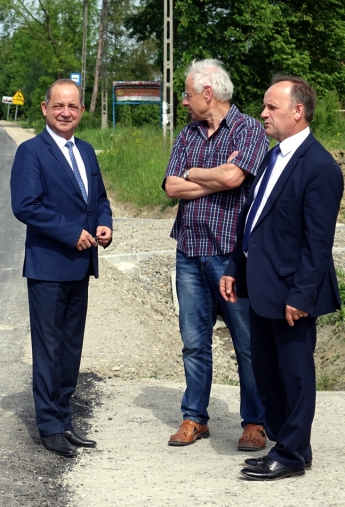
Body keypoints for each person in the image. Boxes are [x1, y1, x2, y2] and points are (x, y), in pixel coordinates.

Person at [221, 75, 343, 480]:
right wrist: (235, 269)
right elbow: (254, 221)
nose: (263, 113)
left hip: (292, 292)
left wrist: (301, 296)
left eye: (272, 107)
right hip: (261, 286)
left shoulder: (320, 167)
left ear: (298, 111)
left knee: (295, 375)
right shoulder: (273, 157)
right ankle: (292, 446)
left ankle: (290, 455)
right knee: (267, 372)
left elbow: (318, 243)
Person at [163, 59, 268, 450]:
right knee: (194, 342)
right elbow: (171, 186)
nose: (184, 102)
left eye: (187, 94)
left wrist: (193, 173)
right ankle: (194, 417)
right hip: (189, 251)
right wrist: (216, 177)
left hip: (230, 256)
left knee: (247, 345)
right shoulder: (188, 134)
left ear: (207, 93)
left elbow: (234, 176)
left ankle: (255, 422)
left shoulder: (249, 129)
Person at [10, 79, 113, 457]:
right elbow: (26, 206)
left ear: (82, 110)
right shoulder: (31, 152)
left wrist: (104, 224)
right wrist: (72, 233)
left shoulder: (85, 150)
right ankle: (49, 426)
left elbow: (98, 199)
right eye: (58, 106)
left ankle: (65, 420)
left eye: (72, 106)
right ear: (44, 108)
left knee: (70, 349)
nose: (65, 112)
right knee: (48, 350)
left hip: (80, 267)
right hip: (49, 268)